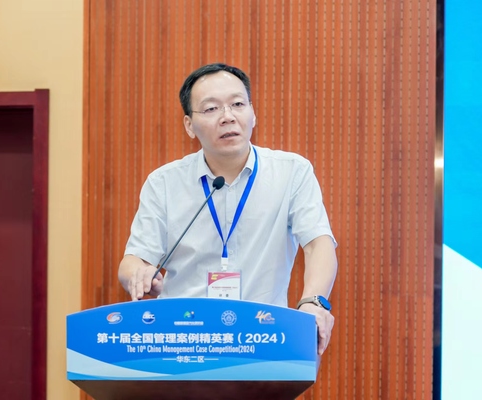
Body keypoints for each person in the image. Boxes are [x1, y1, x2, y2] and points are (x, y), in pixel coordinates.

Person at [118, 63, 338, 355]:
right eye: (211, 109)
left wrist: (313, 301)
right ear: (189, 125)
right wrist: (139, 274)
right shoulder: (164, 183)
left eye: (237, 104)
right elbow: (133, 261)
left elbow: (318, 244)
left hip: (261, 339)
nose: (228, 117)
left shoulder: (292, 172)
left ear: (253, 113)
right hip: (182, 342)